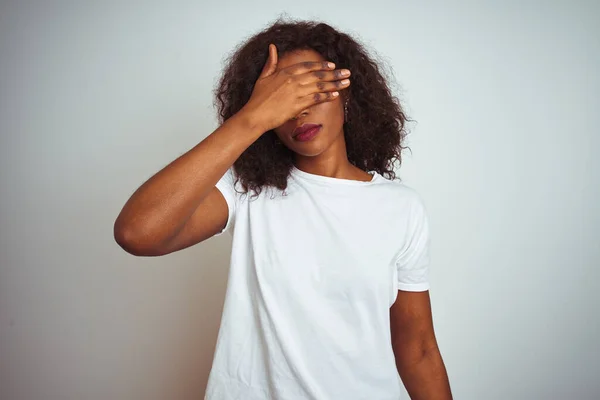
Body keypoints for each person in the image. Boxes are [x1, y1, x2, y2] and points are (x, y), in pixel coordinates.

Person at [114, 19, 452, 400]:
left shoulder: (400, 207)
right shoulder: (248, 191)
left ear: (345, 93)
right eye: (283, 98)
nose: (299, 112)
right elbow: (137, 232)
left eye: (310, 89)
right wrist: (253, 117)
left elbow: (419, 348)